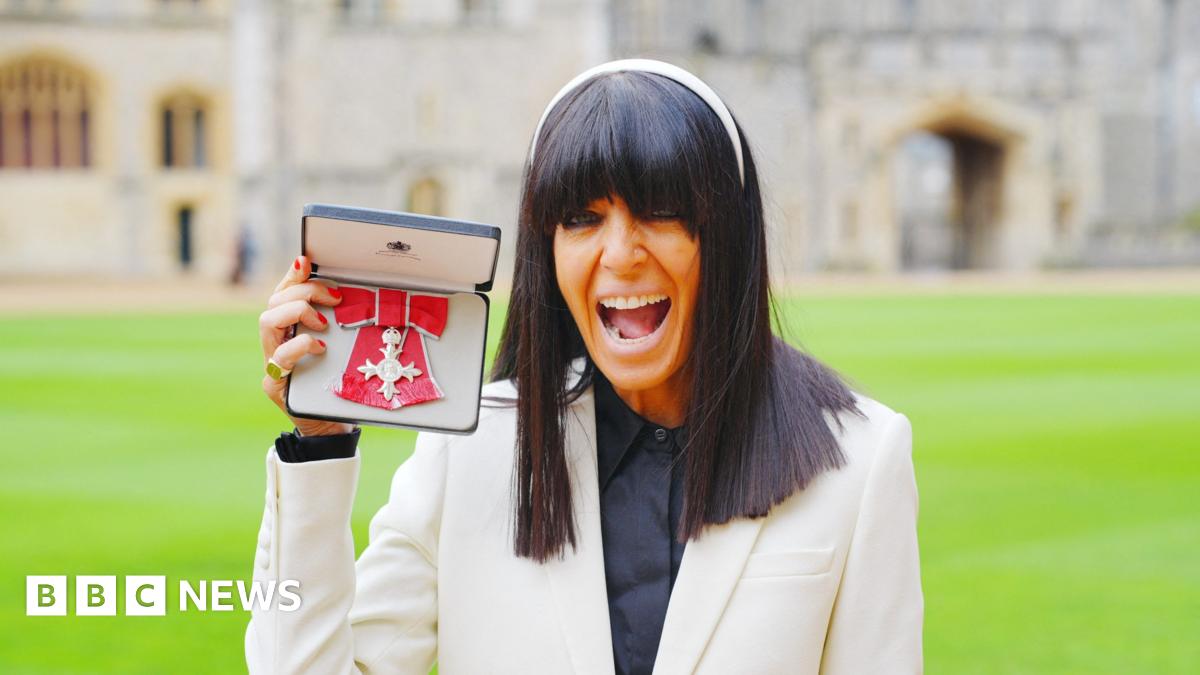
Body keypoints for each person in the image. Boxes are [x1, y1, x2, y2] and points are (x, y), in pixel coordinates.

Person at [247, 59, 922, 674]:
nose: (620, 253)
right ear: (548, 249)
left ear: (727, 234)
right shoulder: (472, 449)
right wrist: (319, 447)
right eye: (581, 217)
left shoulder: (859, 458)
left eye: (662, 211)